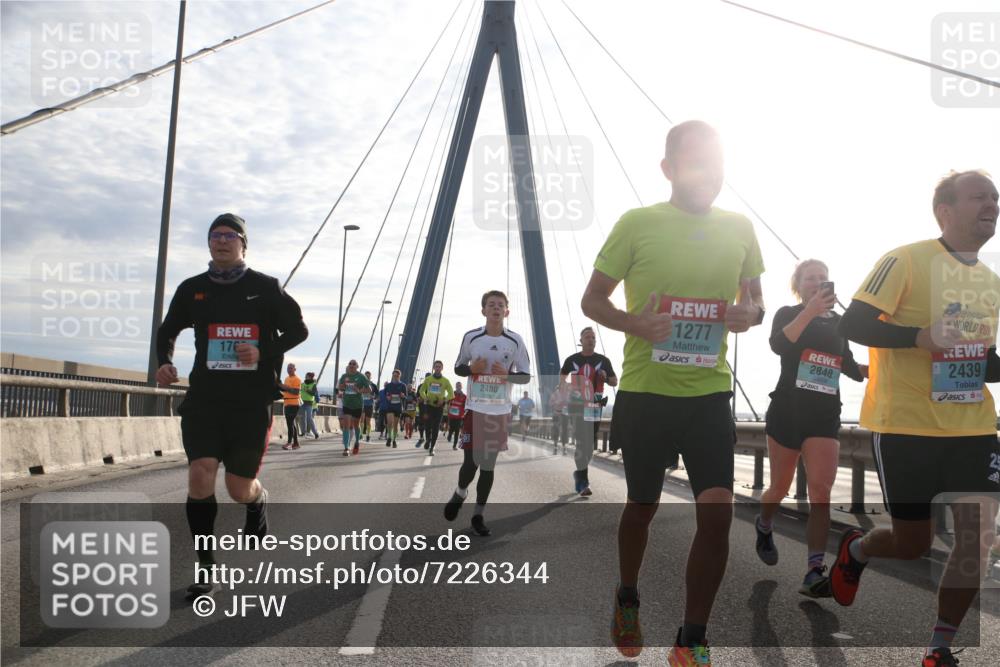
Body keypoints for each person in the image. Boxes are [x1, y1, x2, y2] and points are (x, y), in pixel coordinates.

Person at [581, 120, 765, 663]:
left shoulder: (740, 228)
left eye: (716, 162)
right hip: (646, 395)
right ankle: (627, 595)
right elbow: (593, 300)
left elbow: (756, 302)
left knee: (717, 516)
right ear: (668, 169)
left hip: (708, 395)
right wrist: (635, 324)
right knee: (642, 507)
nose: (708, 172)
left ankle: (691, 640)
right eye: (695, 161)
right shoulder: (637, 223)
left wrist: (746, 315)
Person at [834, 170, 1000, 667]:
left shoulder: (990, 282)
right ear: (945, 212)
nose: (992, 204)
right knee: (911, 543)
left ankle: (939, 646)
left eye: (995, 198)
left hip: (973, 429)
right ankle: (859, 550)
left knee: (977, 537)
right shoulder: (905, 259)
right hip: (905, 428)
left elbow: (982, 360)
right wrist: (918, 337)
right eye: (980, 197)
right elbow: (854, 323)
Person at [155, 212, 308, 598]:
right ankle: (206, 567)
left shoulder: (265, 287)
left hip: (250, 402)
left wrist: (261, 349)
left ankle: (258, 498)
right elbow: (168, 328)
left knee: (238, 488)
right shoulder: (193, 289)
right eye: (215, 236)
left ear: (243, 244)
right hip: (205, 400)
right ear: (209, 243)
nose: (221, 241)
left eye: (229, 236)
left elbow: (298, 330)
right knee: (200, 476)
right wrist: (164, 361)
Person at [754, 260, 867, 597]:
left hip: (824, 414)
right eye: (810, 278)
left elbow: (849, 366)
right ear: (798, 284)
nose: (818, 282)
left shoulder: (839, 323)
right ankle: (764, 524)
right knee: (779, 486)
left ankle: (813, 571)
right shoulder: (788, 313)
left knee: (820, 491)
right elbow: (779, 344)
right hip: (788, 410)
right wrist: (810, 311)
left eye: (823, 277)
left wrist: (888, 369)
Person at [444, 290, 531, 537]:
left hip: (499, 411)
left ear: (507, 312)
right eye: (491, 305)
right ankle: (461, 492)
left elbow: (525, 376)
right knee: (471, 463)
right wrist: (472, 368)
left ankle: (478, 515)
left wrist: (506, 375)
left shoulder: (515, 341)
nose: (496, 308)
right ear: (483, 310)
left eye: (500, 305)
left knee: (488, 466)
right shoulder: (472, 337)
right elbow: (459, 367)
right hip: (476, 408)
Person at [561, 326, 618, 496]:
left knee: (590, 443)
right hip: (577, 405)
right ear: (581, 341)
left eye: (593, 337)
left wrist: (605, 378)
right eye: (587, 336)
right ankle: (583, 482)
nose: (591, 339)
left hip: (595, 405)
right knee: (581, 441)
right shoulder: (571, 360)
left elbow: (615, 381)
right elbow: (562, 377)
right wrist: (568, 386)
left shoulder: (604, 360)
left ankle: (580, 473)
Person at [418, 361, 454, 455]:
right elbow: (421, 391)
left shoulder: (445, 381)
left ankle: (432, 447)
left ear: (442, 368)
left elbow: (451, 393)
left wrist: (444, 400)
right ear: (434, 368)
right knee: (428, 426)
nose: (438, 368)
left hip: (439, 407)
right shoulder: (428, 379)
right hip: (429, 406)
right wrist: (425, 397)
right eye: (436, 366)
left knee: (436, 427)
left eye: (439, 367)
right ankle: (428, 440)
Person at [337, 360, 370, 456]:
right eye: (350, 364)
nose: (351, 365)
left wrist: (359, 390)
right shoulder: (344, 376)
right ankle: (346, 448)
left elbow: (369, 389)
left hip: (357, 405)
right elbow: (340, 387)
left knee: (356, 425)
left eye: (353, 364)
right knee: (346, 425)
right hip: (347, 404)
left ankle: (357, 442)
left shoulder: (361, 377)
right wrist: (342, 386)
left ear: (357, 366)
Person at [280, 363, 302, 450]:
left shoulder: (297, 379)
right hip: (286, 402)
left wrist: (286, 387)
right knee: (291, 423)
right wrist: (281, 386)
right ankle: (296, 443)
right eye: (288, 368)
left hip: (294, 403)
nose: (289, 370)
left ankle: (289, 443)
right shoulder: (286, 378)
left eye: (291, 368)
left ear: (295, 369)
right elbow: (285, 389)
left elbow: (296, 392)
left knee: (290, 423)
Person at [383, 370, 407, 448]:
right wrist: (388, 397)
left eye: (397, 376)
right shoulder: (388, 385)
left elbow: (405, 397)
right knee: (390, 422)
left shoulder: (403, 385)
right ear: (392, 376)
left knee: (395, 425)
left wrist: (403, 396)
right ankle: (389, 437)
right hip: (390, 406)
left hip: (398, 407)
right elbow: (385, 395)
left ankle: (394, 440)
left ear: (399, 376)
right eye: (394, 375)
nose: (395, 377)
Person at [548, 382, 570, 454]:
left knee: (565, 431)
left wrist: (567, 403)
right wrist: (556, 402)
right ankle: (555, 447)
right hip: (556, 414)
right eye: (562, 387)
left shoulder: (567, 394)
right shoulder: (554, 394)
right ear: (560, 387)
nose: (564, 388)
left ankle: (564, 448)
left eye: (565, 387)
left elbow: (570, 402)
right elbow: (550, 403)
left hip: (565, 414)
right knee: (556, 431)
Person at [299, 371, 320, 439]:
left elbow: (314, 393)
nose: (305, 377)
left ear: (310, 377)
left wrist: (307, 390)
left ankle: (315, 433)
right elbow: (299, 391)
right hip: (302, 402)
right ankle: (303, 432)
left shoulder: (313, 384)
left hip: (309, 403)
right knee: (302, 418)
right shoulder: (302, 384)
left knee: (309, 418)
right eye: (305, 376)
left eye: (307, 376)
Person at [447, 381, 467, 449]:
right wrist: (448, 407)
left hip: (459, 416)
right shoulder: (452, 394)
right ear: (455, 386)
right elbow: (448, 402)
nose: (458, 387)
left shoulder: (464, 396)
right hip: (451, 415)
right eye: (457, 385)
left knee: (457, 431)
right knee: (451, 429)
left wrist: (464, 412)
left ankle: (454, 445)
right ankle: (449, 435)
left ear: (461, 387)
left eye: (459, 386)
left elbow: (466, 406)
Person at [361, 371, 377, 442]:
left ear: (371, 377)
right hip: (361, 404)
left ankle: (368, 435)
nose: (367, 377)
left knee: (368, 421)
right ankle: (361, 434)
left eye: (368, 376)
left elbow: (377, 395)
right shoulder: (360, 384)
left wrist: (373, 396)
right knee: (361, 420)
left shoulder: (373, 385)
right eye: (366, 376)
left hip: (369, 404)